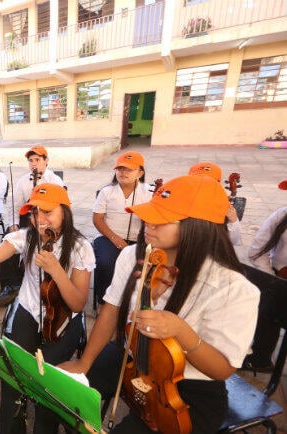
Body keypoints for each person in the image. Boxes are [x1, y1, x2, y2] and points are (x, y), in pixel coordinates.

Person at [59, 175, 260, 433]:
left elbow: (222, 369)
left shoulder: (235, 288)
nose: (148, 224)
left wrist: (181, 332)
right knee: (65, 393)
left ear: (198, 226)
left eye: (162, 220)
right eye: (149, 215)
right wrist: (84, 363)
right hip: (134, 361)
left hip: (188, 390)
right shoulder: (134, 255)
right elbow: (111, 308)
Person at [0, 183, 93, 433]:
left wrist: (56, 270)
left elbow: (78, 302)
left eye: (48, 212)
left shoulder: (80, 247)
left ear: (65, 212)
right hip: (29, 308)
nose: (40, 220)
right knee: (12, 373)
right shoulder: (27, 236)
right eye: (35, 212)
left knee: (49, 386)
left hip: (64, 317)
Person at [0, 145, 64, 307]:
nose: (33, 164)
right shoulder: (23, 181)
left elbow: (62, 209)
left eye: (37, 160)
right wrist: (13, 224)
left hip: (49, 219)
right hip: (29, 217)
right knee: (9, 237)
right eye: (30, 160)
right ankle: (10, 284)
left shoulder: (55, 181)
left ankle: (46, 281)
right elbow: (15, 205)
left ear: (46, 161)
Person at [92, 151, 152, 308]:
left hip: (138, 240)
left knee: (144, 265)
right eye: (120, 169)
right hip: (109, 238)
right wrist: (115, 239)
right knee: (105, 262)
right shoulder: (107, 191)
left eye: (129, 169)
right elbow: (97, 219)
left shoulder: (149, 192)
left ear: (140, 173)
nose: (123, 172)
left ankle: (132, 303)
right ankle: (103, 302)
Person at [242, 179, 287, 372]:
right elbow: (256, 251)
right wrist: (273, 280)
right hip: (280, 278)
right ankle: (261, 359)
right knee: (267, 314)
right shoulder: (281, 215)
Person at [188, 161, 242, 245]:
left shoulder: (223, 205)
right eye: (198, 181)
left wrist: (234, 221)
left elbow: (232, 241)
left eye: (209, 182)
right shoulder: (181, 201)